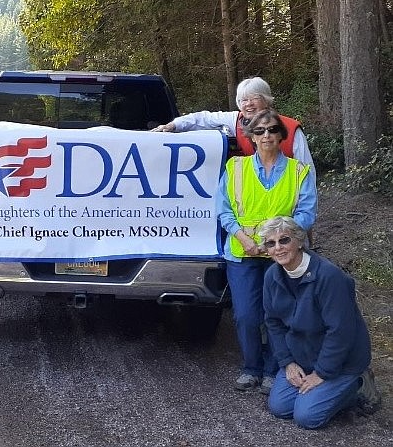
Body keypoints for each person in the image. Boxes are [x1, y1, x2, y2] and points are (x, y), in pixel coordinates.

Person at [216, 109, 317, 394]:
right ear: (251, 137)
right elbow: (223, 211)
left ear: (281, 135)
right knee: (247, 315)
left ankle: (276, 369)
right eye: (259, 131)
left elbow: (307, 213)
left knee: (281, 314)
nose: (267, 136)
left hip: (283, 258)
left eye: (272, 130)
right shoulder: (235, 168)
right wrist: (243, 238)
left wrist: (279, 243)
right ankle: (251, 368)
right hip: (243, 253)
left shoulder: (299, 172)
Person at [260, 216, 382, 429]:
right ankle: (321, 393)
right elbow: (273, 323)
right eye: (271, 243)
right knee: (279, 407)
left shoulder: (329, 276)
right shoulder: (272, 276)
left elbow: (341, 331)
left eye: (284, 240)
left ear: (299, 241)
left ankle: (359, 384)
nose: (278, 248)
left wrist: (321, 373)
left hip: (341, 362)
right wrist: (287, 362)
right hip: (302, 357)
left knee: (307, 417)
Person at [151, 77, 314, 170]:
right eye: (243, 100)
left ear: (266, 100)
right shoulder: (234, 120)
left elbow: (307, 171)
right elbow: (203, 118)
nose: (248, 104)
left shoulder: (292, 129)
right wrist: (173, 125)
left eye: (254, 98)